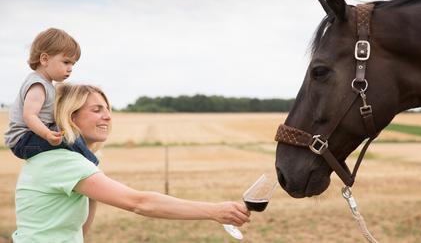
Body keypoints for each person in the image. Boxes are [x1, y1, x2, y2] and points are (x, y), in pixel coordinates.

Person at [12, 83, 251, 242]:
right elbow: (139, 203)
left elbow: (79, 233)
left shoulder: (69, 159)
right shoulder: (61, 160)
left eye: (108, 109)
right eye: (97, 110)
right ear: (71, 115)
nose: (107, 116)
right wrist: (214, 211)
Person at [4, 28, 98, 165]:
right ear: (44, 59)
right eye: (66, 62)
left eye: (73, 64)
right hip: (23, 141)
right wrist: (47, 134)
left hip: (32, 137)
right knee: (69, 140)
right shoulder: (38, 86)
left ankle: (84, 163)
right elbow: (29, 116)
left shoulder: (47, 85)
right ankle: (92, 165)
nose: (70, 68)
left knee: (72, 134)